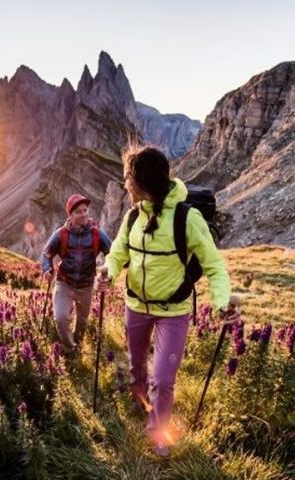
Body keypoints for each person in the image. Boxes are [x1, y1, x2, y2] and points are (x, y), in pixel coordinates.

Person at [95, 145, 240, 457]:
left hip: (173, 312)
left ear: (142, 181)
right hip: (135, 306)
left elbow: (214, 266)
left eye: (128, 178)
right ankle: (141, 403)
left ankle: (159, 432)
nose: (125, 184)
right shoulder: (133, 215)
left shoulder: (188, 219)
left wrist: (222, 303)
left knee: (162, 379)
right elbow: (119, 251)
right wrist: (108, 271)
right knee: (136, 367)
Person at [41, 194, 112, 356]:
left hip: (86, 286)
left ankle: (77, 345)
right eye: (78, 212)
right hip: (64, 283)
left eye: (85, 210)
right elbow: (46, 254)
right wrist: (47, 269)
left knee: (82, 322)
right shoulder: (60, 234)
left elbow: (113, 254)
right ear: (70, 215)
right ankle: (69, 348)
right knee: (60, 318)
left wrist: (107, 272)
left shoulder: (97, 234)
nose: (84, 214)